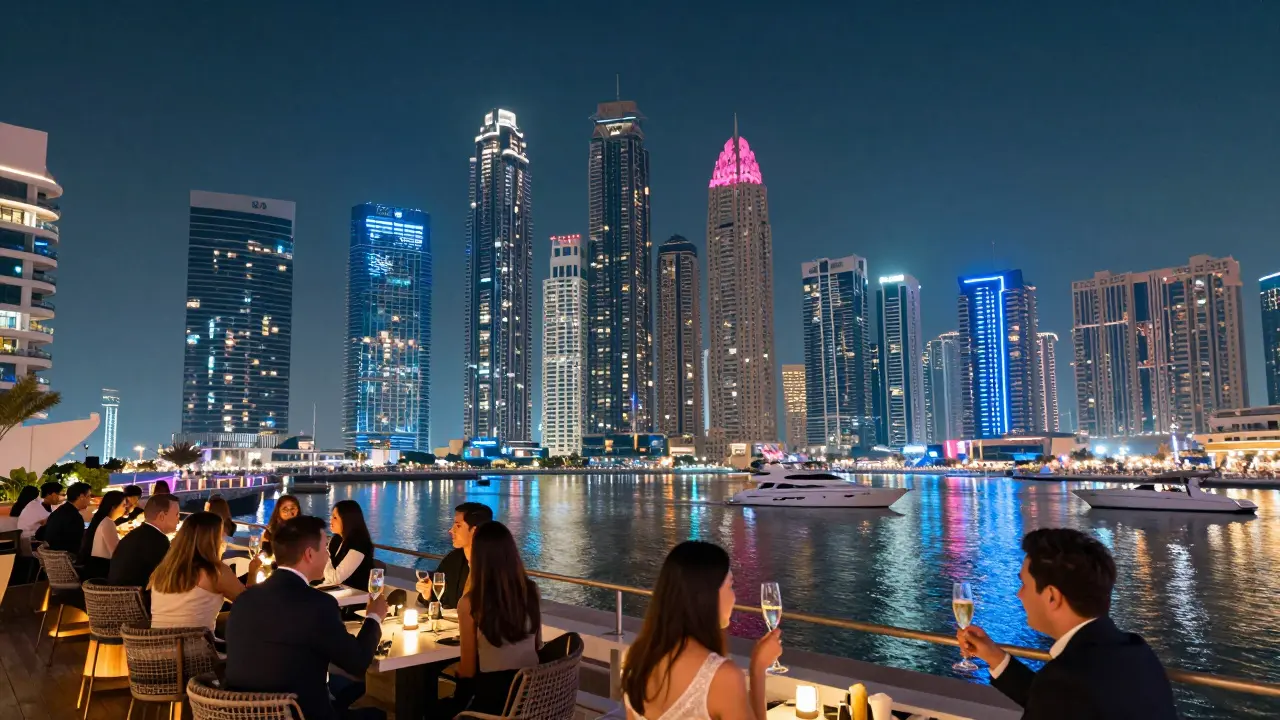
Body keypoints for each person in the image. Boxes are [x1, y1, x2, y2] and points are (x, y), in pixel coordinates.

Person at [958, 528, 1178, 720]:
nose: (1019, 594)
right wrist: (994, 656)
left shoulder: (1064, 682)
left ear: (1052, 596)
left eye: (1024, 584)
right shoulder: (1137, 651)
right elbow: (1061, 704)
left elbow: (1060, 699)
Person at [224, 515, 387, 720]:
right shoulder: (318, 604)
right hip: (297, 714)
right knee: (377, 714)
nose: (328, 556)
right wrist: (374, 616)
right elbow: (357, 663)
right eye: (325, 548)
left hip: (242, 713)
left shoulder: (244, 600)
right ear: (309, 554)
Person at [621, 541, 781, 720]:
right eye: (730, 586)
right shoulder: (722, 677)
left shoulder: (634, 659)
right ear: (708, 596)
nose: (734, 596)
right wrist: (758, 670)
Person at [442, 521, 543, 715]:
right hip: (530, 699)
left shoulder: (470, 603)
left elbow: (468, 671)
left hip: (494, 705)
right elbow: (537, 646)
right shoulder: (531, 591)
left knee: (433, 711)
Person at [150, 512, 259, 631]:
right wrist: (253, 573)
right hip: (195, 647)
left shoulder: (163, 570)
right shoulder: (215, 572)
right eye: (221, 535)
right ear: (211, 539)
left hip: (155, 645)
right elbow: (250, 605)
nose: (223, 540)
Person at [415, 502, 492, 609]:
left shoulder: (494, 567)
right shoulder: (452, 560)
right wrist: (427, 594)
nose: (451, 530)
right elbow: (438, 602)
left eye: (458, 525)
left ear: (474, 531)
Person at [108, 493, 180, 598]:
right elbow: (167, 578)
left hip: (116, 600)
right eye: (176, 514)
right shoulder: (158, 541)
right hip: (138, 603)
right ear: (161, 516)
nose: (178, 519)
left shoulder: (134, 535)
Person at [324, 500, 374, 589]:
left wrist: (324, 554)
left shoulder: (359, 543)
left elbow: (336, 578)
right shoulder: (336, 539)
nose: (330, 521)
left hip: (356, 595)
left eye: (335, 518)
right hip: (337, 590)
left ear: (347, 520)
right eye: (331, 517)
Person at [78, 490, 126, 579]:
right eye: (123, 505)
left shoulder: (100, 519)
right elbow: (116, 553)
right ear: (113, 507)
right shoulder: (107, 522)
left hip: (93, 568)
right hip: (101, 573)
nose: (125, 508)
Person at [41, 482, 92, 553]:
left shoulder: (58, 512)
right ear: (82, 496)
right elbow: (76, 547)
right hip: (66, 559)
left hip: (50, 558)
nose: (90, 499)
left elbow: (40, 534)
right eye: (89, 496)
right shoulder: (75, 517)